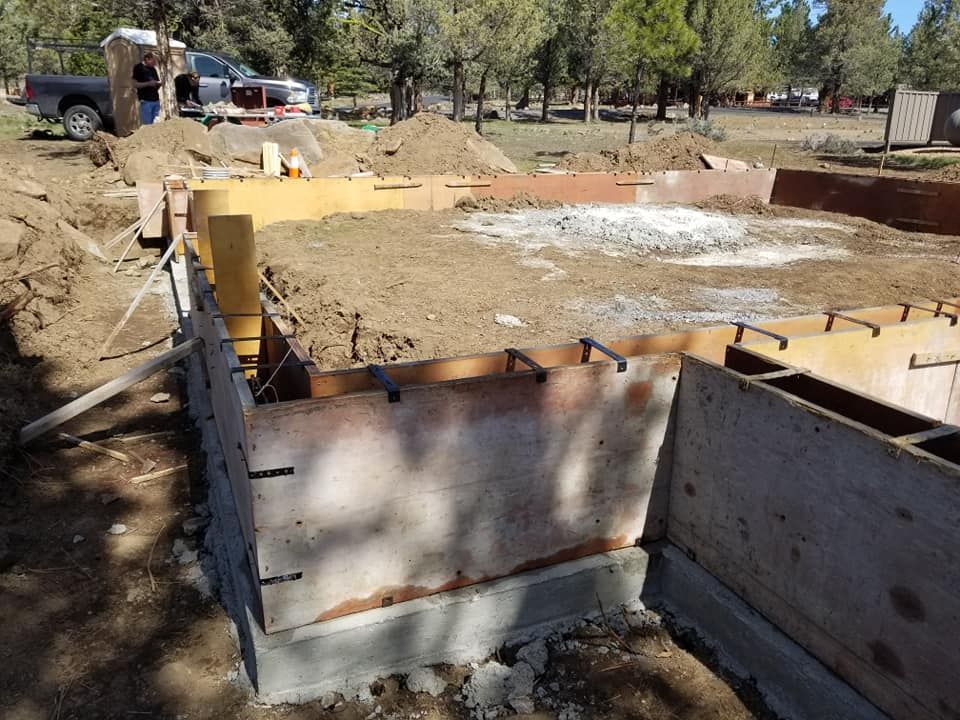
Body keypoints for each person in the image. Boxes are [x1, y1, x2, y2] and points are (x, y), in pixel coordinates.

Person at [132, 52, 161, 125]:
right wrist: (148, 83)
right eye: (153, 61)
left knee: (156, 124)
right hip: (146, 100)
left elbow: (156, 82)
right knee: (147, 125)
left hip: (156, 99)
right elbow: (135, 84)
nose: (155, 63)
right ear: (147, 59)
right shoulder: (139, 68)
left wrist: (158, 84)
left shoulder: (153, 69)